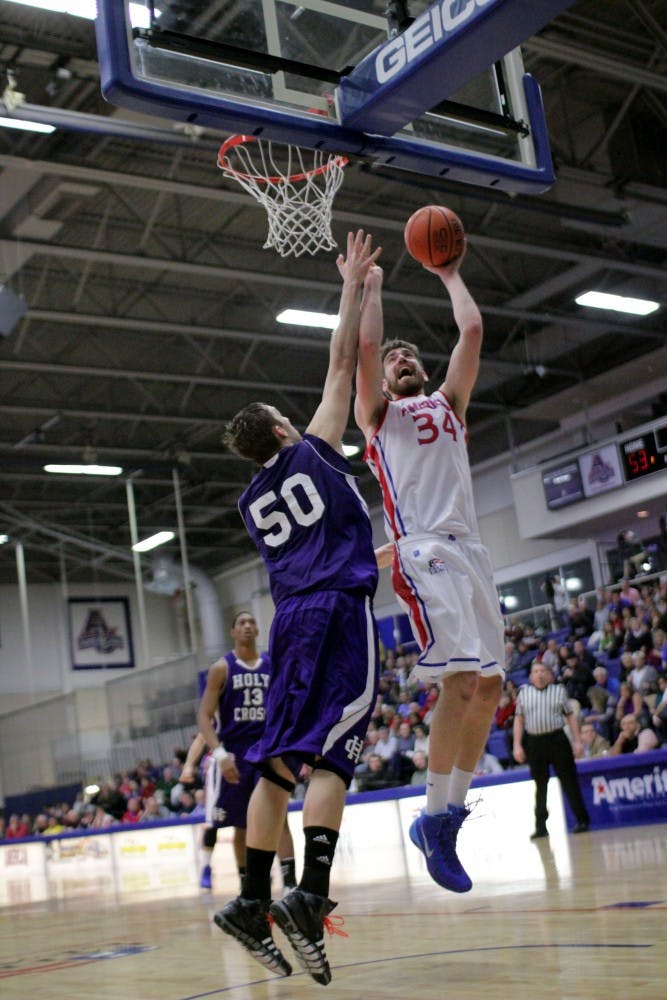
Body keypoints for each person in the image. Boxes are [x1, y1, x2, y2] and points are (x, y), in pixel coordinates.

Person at [213, 230, 382, 985]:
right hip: (337, 612)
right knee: (335, 753)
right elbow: (341, 364)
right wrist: (351, 285)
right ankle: (307, 894)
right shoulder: (312, 446)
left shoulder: (251, 502)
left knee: (273, 767)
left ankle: (250, 899)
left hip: (289, 626)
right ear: (281, 429)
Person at [354, 237, 504, 894]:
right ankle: (434, 817)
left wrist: (447, 272)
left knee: (491, 690)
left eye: (410, 354)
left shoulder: (448, 406)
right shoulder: (378, 417)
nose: (402, 359)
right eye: (395, 360)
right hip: (422, 549)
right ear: (385, 383)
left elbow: (470, 328)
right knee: (461, 679)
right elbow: (362, 351)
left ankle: (441, 816)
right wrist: (373, 290)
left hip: (470, 552)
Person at [193, 610, 296, 893]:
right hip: (237, 754)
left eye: (252, 622)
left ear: (258, 631)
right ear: (233, 632)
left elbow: (287, 707)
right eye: (242, 623)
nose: (248, 626)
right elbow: (204, 716)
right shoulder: (222, 668)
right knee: (241, 824)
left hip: (268, 750)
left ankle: (290, 883)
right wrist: (220, 754)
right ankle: (248, 886)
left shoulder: (272, 665)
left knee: (280, 816)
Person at [512, 661, 590, 839]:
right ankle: (540, 826)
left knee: (569, 781)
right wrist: (517, 745)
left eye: (543, 671)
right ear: (531, 676)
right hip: (535, 742)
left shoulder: (559, 691)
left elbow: (570, 717)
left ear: (549, 674)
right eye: (536, 671)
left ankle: (582, 819)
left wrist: (577, 741)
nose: (539, 674)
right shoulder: (524, 693)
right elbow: (519, 720)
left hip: (557, 740)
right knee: (540, 785)